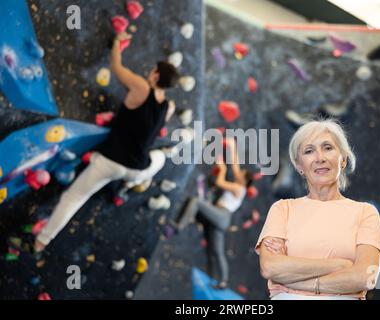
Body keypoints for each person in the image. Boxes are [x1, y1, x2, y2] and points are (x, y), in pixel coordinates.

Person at [34, 32, 179, 252]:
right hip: (138, 168)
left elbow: (116, 66)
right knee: (159, 158)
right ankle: (131, 183)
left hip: (111, 162)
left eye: (152, 70)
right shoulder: (169, 107)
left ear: (156, 75)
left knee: (73, 197)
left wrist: (117, 42)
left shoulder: (141, 87)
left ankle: (42, 240)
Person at [256, 119, 380, 300]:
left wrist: (303, 283)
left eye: (328, 148)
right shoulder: (282, 209)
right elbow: (270, 267)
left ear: (343, 159)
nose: (320, 158)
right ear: (299, 166)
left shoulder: (366, 213)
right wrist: (340, 265)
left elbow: (368, 277)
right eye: (309, 151)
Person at [174, 138, 253, 289]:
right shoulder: (240, 184)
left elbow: (219, 183)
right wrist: (232, 146)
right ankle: (221, 280)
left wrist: (222, 170)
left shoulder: (239, 188)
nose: (238, 173)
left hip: (222, 215)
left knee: (196, 202)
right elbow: (235, 165)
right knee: (215, 250)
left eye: (241, 174)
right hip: (220, 217)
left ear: (244, 180)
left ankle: (179, 225)